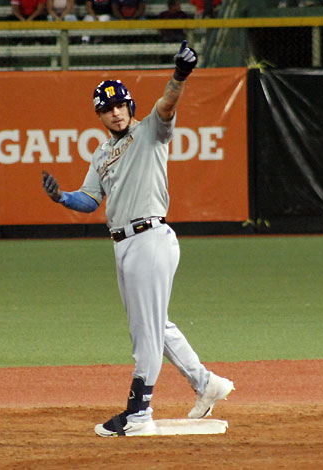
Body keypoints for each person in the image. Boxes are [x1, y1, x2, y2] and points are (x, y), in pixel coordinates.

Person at [41, 41, 235, 437]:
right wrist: (61, 197)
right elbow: (89, 199)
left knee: (144, 333)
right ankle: (206, 383)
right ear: (99, 115)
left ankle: (138, 414)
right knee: (155, 326)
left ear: (130, 105)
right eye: (106, 108)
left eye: (120, 105)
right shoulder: (101, 154)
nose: (115, 112)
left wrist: (180, 75)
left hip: (150, 237)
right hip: (123, 245)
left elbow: (167, 104)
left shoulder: (150, 130)